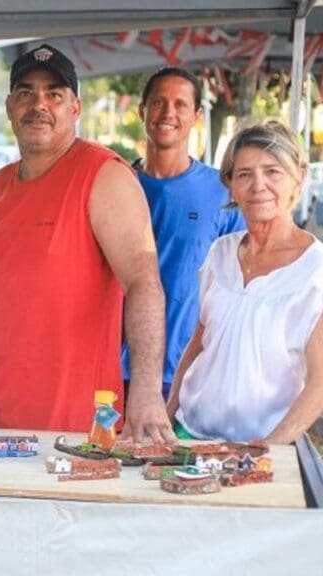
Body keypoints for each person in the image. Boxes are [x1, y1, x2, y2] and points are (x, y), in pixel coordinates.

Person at [0, 44, 172, 441]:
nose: (39, 104)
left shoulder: (103, 175)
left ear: (75, 108)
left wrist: (147, 393)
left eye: (54, 94)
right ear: (10, 106)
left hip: (77, 429)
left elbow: (143, 283)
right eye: (26, 92)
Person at [168, 120, 323, 444]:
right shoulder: (220, 252)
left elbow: (319, 383)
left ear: (299, 177)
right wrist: (167, 416)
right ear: (231, 186)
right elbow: (198, 343)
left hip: (264, 448)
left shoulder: (315, 269)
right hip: (190, 434)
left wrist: (269, 449)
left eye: (272, 172)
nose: (258, 185)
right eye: (244, 174)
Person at [122, 67, 246, 401]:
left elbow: (243, 284)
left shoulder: (222, 192)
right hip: (115, 370)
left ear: (196, 116)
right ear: (142, 111)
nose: (168, 113)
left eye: (180, 104)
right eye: (159, 102)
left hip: (190, 373)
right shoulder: (115, 185)